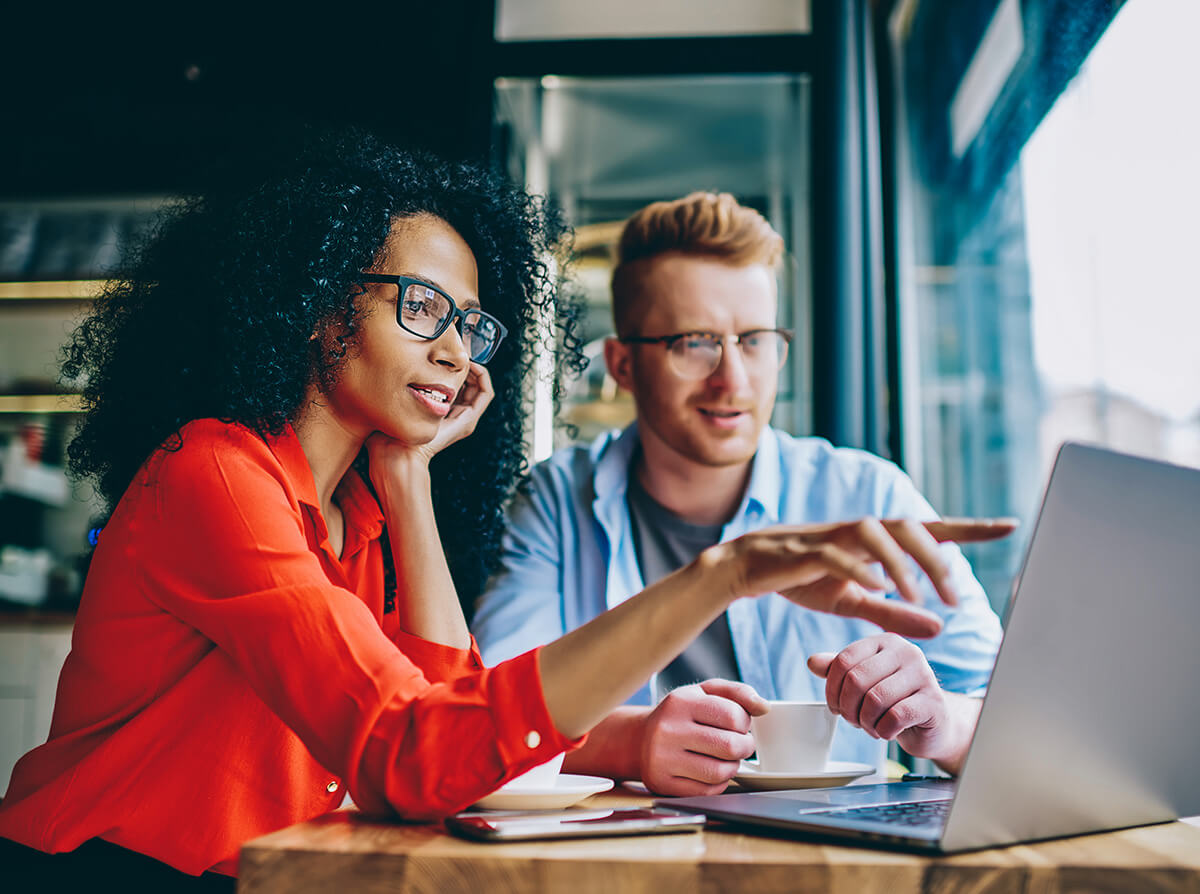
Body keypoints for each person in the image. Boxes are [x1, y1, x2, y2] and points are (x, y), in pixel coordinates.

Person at [0, 140, 1010, 888]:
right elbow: (416, 754)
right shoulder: (215, 475)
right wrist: (723, 574)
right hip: (105, 871)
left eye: (470, 324)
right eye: (420, 307)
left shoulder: (361, 511)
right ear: (315, 307)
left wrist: (407, 482)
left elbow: (449, 724)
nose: (457, 352)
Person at [472, 192, 1011, 796]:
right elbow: (486, 715)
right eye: (694, 343)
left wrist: (939, 723)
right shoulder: (555, 501)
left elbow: (1016, 714)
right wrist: (633, 741)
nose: (734, 379)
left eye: (755, 340)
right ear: (622, 365)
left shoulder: (867, 494)